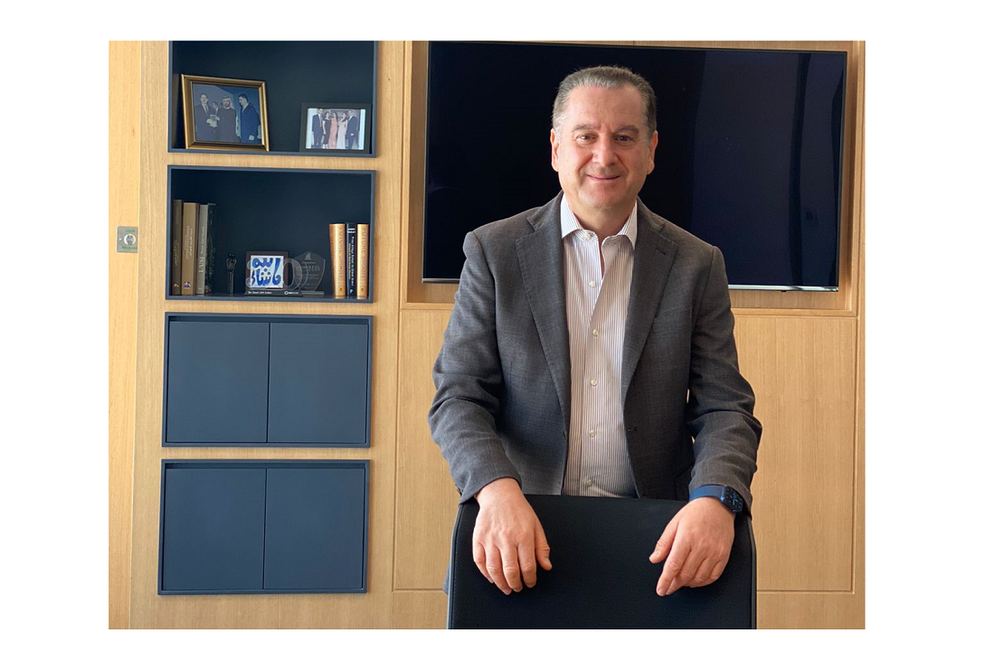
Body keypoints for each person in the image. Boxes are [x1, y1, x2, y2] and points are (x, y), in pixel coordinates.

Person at [428, 66, 761, 600]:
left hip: (659, 545)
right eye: (586, 136)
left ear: (651, 150)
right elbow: (459, 397)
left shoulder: (697, 264)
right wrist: (494, 490)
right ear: (557, 148)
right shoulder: (493, 252)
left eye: (624, 138)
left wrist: (715, 499)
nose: (605, 156)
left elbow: (725, 407)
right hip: (522, 534)